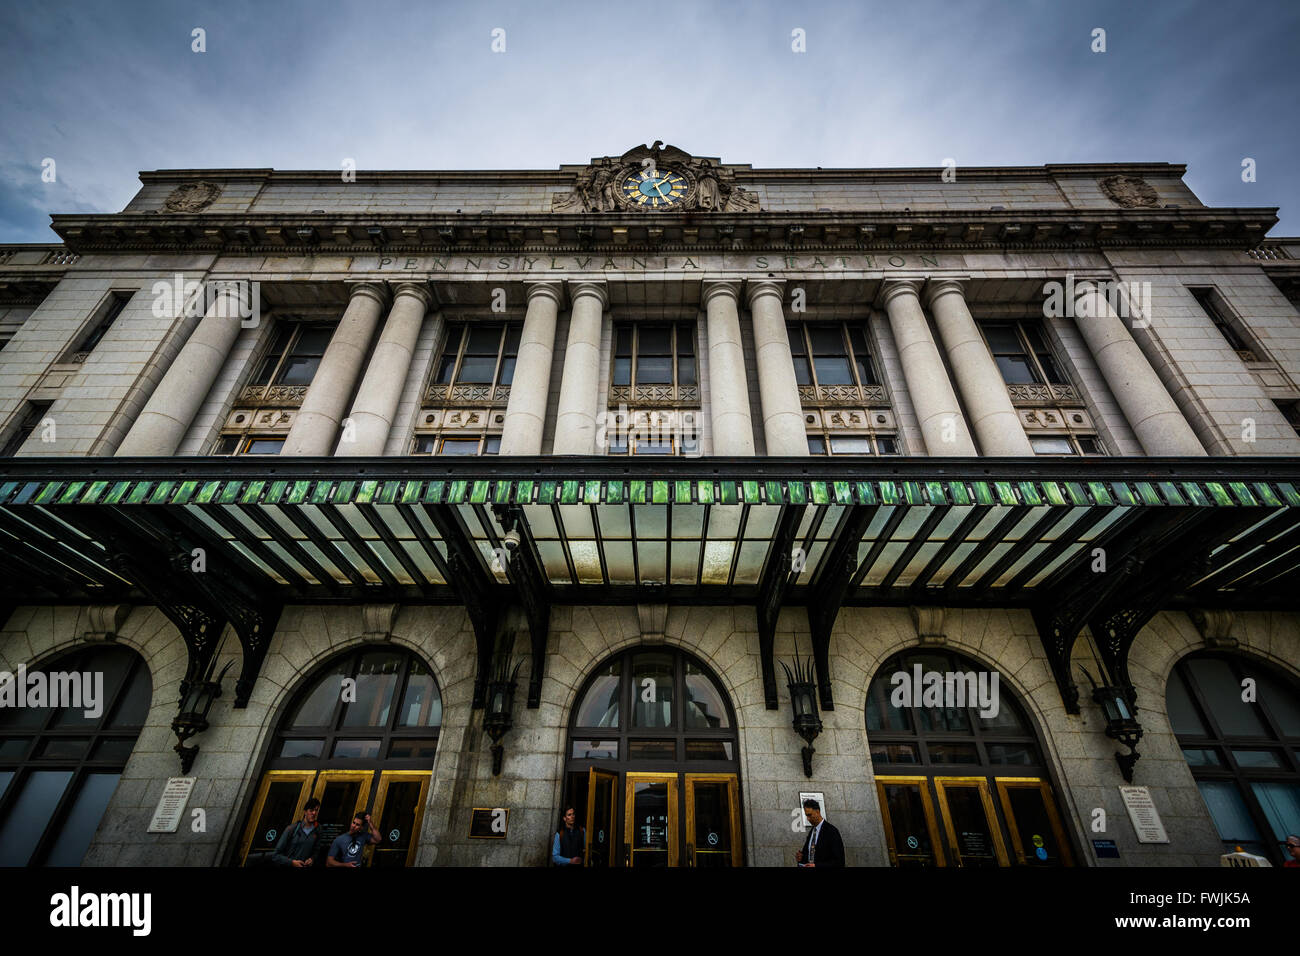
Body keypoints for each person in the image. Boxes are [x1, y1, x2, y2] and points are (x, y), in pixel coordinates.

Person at [270, 798, 321, 868]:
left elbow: (316, 851)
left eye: (316, 810)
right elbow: (275, 855)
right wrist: (291, 862)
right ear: (305, 812)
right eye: (311, 810)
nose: (314, 813)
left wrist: (312, 859)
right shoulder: (292, 829)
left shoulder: (317, 830)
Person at [795, 798, 845, 867]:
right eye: (806, 816)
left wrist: (816, 866)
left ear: (817, 812)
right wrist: (801, 857)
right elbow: (810, 855)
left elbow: (839, 861)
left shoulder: (832, 831)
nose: (808, 819)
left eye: (809, 815)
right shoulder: (812, 832)